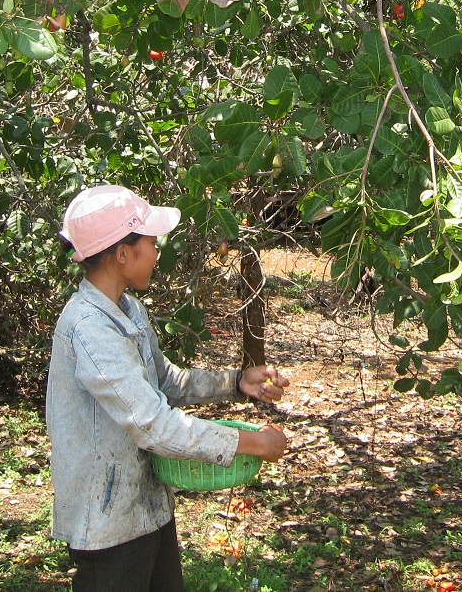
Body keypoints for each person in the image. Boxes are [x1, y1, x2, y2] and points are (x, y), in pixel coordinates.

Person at [46, 184, 290, 592]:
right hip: (107, 524)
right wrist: (251, 444)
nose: (157, 253)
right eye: (150, 243)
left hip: (147, 508)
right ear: (123, 254)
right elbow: (153, 426)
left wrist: (235, 383)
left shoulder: (127, 309)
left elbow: (164, 382)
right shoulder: (89, 329)